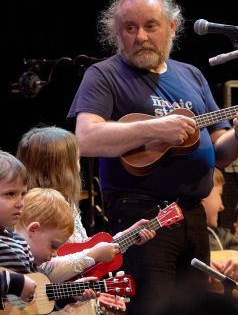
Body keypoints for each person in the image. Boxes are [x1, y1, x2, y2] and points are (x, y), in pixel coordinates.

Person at [67, 0, 238, 315]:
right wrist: (157, 127)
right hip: (142, 218)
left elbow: (219, 150)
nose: (140, 36)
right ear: (117, 33)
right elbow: (85, 138)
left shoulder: (192, 75)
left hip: (194, 216)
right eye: (130, 27)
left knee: (195, 308)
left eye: (150, 25)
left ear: (171, 27)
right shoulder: (105, 75)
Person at [16, 125, 155, 315]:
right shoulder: (33, 210)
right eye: (76, 160)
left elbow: (81, 249)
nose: (79, 167)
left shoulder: (67, 204)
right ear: (59, 168)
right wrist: (93, 255)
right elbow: (43, 270)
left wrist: (126, 237)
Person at [0, 149, 97, 315]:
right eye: (10, 194)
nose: (20, 203)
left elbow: (32, 300)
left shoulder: (18, 242)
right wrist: (15, 283)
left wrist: (70, 294)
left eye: (22, 194)